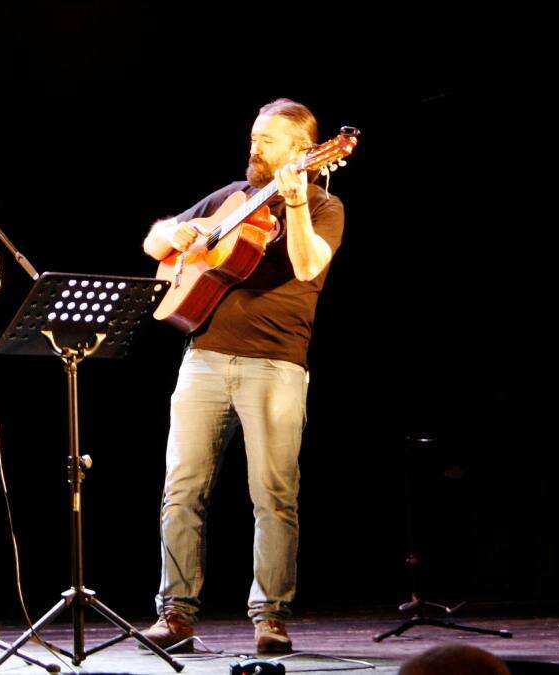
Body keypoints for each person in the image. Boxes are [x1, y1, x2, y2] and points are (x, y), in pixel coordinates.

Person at [139, 99, 345, 654]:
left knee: (273, 494)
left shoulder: (325, 206)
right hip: (203, 359)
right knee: (180, 490)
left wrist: (296, 204)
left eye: (269, 140)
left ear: (304, 152)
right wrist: (179, 237)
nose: (255, 147)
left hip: (274, 365)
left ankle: (270, 616)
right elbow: (154, 241)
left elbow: (306, 266)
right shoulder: (233, 196)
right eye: (254, 137)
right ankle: (175, 614)